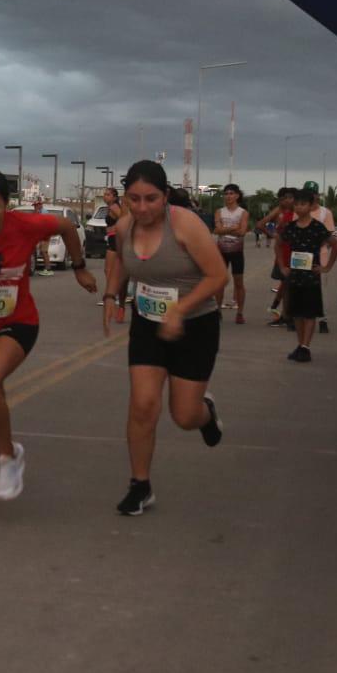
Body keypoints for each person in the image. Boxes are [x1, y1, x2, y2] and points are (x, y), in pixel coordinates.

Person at [0, 169, 97, 500]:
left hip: (18, 322)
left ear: (7, 205)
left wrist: (79, 266)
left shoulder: (25, 225)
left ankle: (5, 460)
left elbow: (67, 226)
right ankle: (9, 453)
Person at [103, 161, 226, 516]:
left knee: (184, 416)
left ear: (166, 196)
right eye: (134, 199)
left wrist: (180, 310)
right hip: (148, 323)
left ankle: (206, 414)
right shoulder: (125, 226)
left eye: (151, 199)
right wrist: (111, 295)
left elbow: (217, 276)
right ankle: (140, 485)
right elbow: (123, 262)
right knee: (143, 405)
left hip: (196, 326)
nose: (142, 207)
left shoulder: (186, 224)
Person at [280, 189, 337, 362]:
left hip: (311, 277)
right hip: (295, 276)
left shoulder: (317, 227)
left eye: (303, 204)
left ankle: (306, 347)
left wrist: (326, 267)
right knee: (297, 313)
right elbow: (278, 244)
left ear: (311, 205)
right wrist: (282, 266)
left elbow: (336, 246)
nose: (299, 207)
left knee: (309, 313)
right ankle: (300, 346)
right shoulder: (290, 227)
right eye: (297, 204)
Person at [255, 188, 296, 327]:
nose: (286, 201)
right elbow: (260, 224)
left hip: (294, 251)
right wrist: (273, 235)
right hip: (282, 251)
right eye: (283, 198)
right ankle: (285, 315)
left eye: (289, 198)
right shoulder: (279, 211)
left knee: (288, 284)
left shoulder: (297, 211)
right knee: (286, 283)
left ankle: (285, 312)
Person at [212, 183, 249, 323]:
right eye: (226, 193)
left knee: (238, 283)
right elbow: (216, 230)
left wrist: (224, 229)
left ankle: (240, 313)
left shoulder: (243, 213)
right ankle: (217, 310)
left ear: (237, 196)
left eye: (231, 193)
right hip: (221, 251)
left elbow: (242, 232)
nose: (228, 196)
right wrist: (233, 228)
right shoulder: (219, 211)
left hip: (237, 251)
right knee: (219, 282)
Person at [304, 182, 336, 334]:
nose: (311, 195)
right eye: (307, 192)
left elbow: (329, 237)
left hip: (320, 256)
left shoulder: (325, 213)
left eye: (313, 193)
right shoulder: (300, 211)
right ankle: (301, 317)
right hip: (302, 256)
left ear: (317, 195)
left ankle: (323, 320)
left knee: (321, 289)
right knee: (302, 288)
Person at [100, 187, 128, 321]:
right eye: (104, 194)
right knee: (109, 270)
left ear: (114, 197)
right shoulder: (111, 207)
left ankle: (114, 296)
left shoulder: (114, 207)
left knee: (112, 271)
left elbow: (124, 221)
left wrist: (115, 229)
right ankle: (113, 296)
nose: (105, 196)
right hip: (112, 240)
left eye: (108, 194)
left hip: (116, 240)